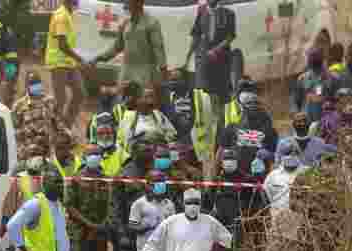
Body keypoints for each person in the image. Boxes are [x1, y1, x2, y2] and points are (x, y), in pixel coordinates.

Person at [109, 132, 157, 251]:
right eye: (142, 148)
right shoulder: (123, 175)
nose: (147, 151)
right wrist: (121, 235)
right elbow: (115, 209)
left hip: (155, 234)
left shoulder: (158, 173)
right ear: (133, 151)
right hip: (131, 235)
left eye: (149, 148)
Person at [89, 0, 167, 92]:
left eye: (131, 2)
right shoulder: (125, 23)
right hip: (126, 72)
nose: (129, 5)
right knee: (122, 103)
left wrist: (163, 69)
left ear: (140, 3)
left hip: (145, 72)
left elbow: (158, 47)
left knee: (141, 103)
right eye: (128, 3)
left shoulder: (152, 23)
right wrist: (99, 58)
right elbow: (116, 47)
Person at [185, 0, 236, 133]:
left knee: (223, 92)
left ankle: (224, 125)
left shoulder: (228, 13)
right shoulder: (202, 12)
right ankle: (212, 122)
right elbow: (196, 35)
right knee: (206, 91)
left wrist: (216, 50)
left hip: (222, 58)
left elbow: (230, 37)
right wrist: (188, 56)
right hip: (206, 59)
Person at [218, 80, 278, 174]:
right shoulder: (232, 128)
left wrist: (268, 155)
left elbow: (275, 155)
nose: (253, 106)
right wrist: (215, 175)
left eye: (256, 103)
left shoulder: (269, 130)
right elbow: (220, 152)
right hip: (235, 175)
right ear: (243, 106)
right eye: (249, 103)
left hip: (259, 176)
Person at [44, 0, 84, 128]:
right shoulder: (61, 16)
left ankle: (65, 127)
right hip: (58, 62)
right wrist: (79, 58)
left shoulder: (69, 14)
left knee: (79, 93)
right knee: (61, 99)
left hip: (69, 62)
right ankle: (52, 129)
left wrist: (75, 59)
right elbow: (62, 45)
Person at [116, 85, 177, 163]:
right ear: (138, 99)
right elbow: (123, 143)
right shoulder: (129, 117)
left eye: (152, 97)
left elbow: (172, 138)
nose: (150, 100)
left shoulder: (159, 115)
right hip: (136, 160)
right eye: (147, 97)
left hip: (160, 158)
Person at [12, 71, 61, 161]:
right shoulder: (19, 106)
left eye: (38, 82)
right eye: (32, 83)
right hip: (28, 153)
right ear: (27, 86)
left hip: (48, 153)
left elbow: (58, 125)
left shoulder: (50, 102)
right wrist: (21, 150)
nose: (36, 86)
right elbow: (15, 131)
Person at [292, 48, 333, 126]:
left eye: (316, 56)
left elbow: (336, 99)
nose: (312, 59)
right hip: (306, 122)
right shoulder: (302, 78)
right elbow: (295, 100)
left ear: (322, 59)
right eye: (311, 57)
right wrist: (297, 114)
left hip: (326, 122)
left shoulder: (331, 78)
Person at [263, 145, 304, 212]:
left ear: (300, 157)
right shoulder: (273, 175)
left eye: (295, 154)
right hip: (278, 213)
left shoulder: (305, 173)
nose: (292, 157)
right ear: (282, 157)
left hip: (301, 215)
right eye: (288, 154)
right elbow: (266, 194)